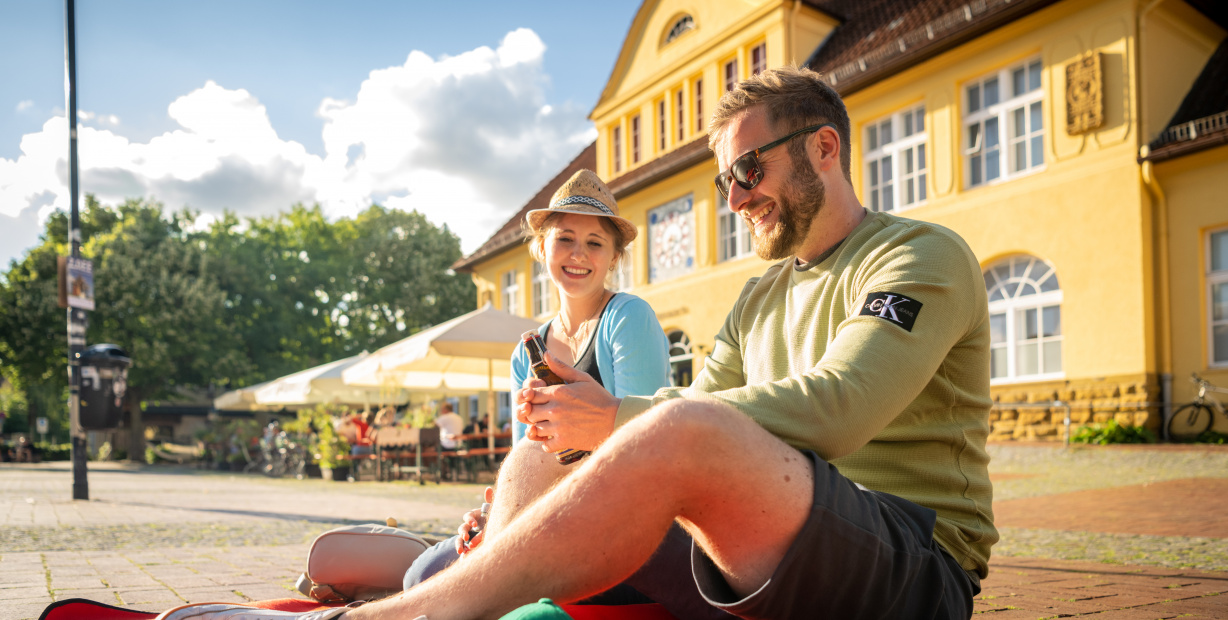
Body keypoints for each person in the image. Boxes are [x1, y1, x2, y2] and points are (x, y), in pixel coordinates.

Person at [157, 66, 995, 620]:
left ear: (823, 147)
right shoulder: (758, 297)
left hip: (909, 563)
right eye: (723, 181)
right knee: (535, 458)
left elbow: (840, 411)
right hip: (756, 550)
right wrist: (593, 436)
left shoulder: (918, 256)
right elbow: (679, 414)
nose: (735, 198)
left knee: (675, 430)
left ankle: (396, 614)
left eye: (748, 171)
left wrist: (622, 420)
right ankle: (483, 601)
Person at [402, 169, 677, 603]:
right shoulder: (525, 351)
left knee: (450, 585)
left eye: (595, 243)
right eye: (565, 238)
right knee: (422, 573)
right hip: (540, 517)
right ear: (542, 247)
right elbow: (522, 457)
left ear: (613, 258)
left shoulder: (627, 317)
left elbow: (641, 445)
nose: (578, 254)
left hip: (613, 521)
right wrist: (493, 512)